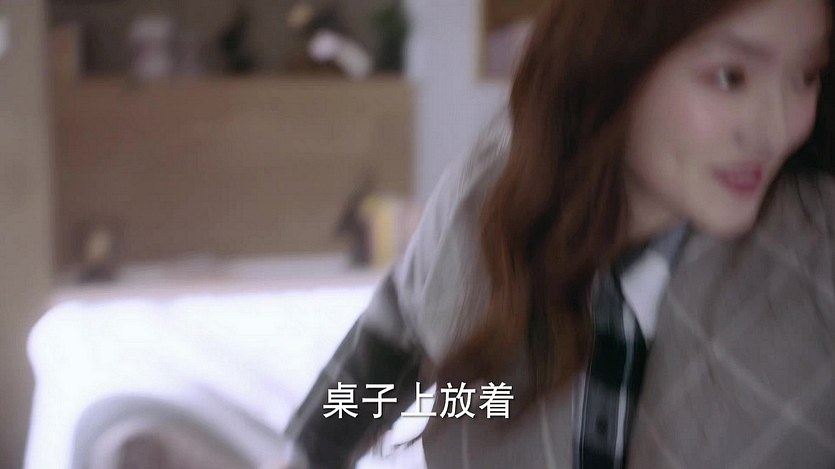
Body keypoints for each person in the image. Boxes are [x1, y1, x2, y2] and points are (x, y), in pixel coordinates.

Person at [276, 0, 835, 467]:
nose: (779, 127)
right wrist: (309, 452)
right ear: (609, 57)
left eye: (806, 75)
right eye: (730, 77)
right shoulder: (488, 189)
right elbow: (399, 326)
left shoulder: (813, 253)